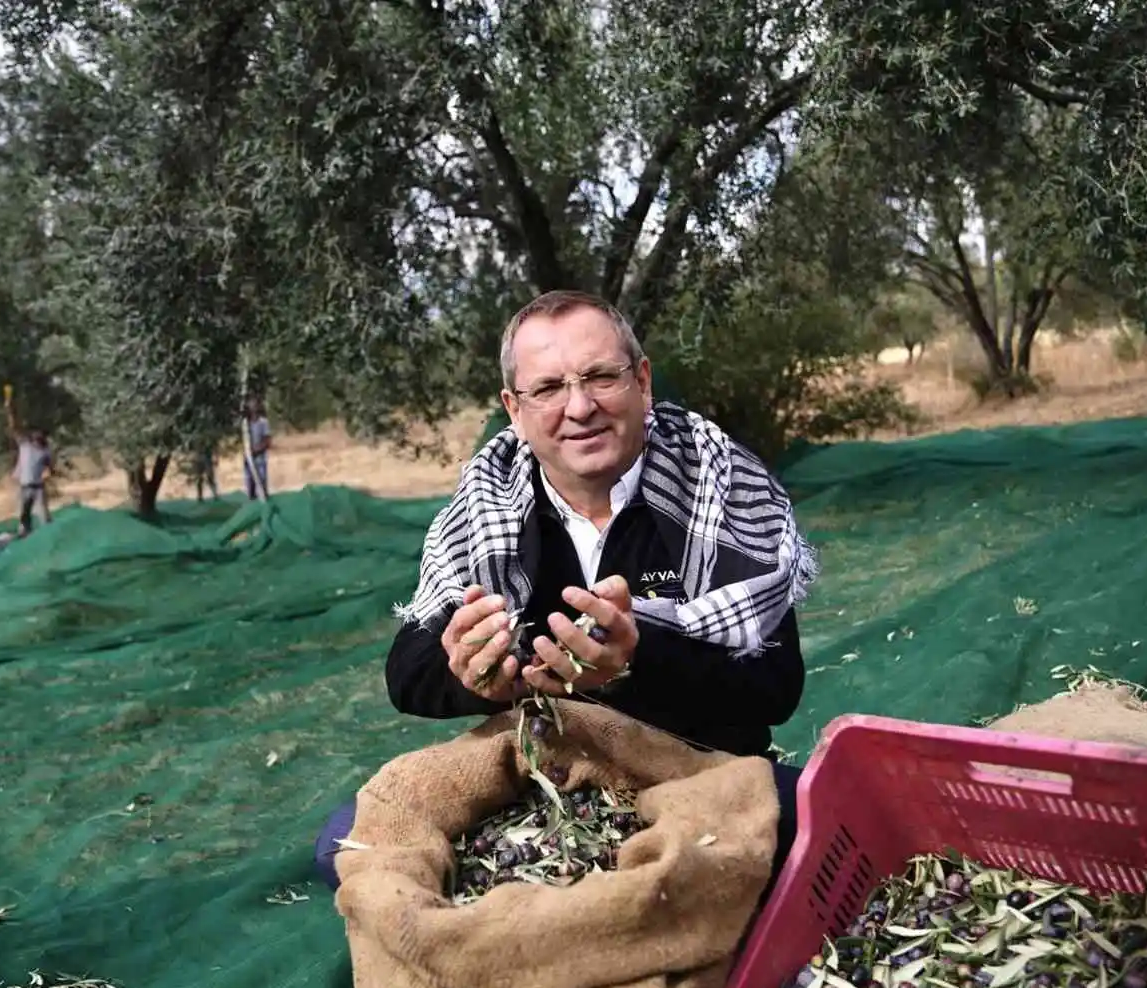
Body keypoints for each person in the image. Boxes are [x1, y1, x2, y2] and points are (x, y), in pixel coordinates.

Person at [312, 289, 818, 890]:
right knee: (348, 841)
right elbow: (408, 674)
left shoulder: (718, 485)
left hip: (696, 772)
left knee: (815, 817)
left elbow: (775, 688)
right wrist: (474, 678)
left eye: (601, 376)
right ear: (515, 409)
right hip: (545, 776)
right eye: (548, 389)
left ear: (643, 382)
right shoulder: (487, 506)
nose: (579, 407)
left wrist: (639, 660)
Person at [4, 387, 54, 537]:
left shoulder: (45, 451)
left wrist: (48, 473)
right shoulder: (26, 446)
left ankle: (49, 537)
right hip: (24, 486)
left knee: (44, 515)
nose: (37, 437)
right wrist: (9, 408)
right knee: (24, 516)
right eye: (36, 435)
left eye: (40, 436)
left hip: (38, 487)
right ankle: (24, 536)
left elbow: (50, 468)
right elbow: (14, 427)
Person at [243, 397, 271, 500]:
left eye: (254, 405)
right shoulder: (245, 424)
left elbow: (267, 441)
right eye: (250, 405)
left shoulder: (263, 422)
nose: (252, 407)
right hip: (248, 460)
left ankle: (264, 504)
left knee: (262, 484)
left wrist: (256, 449)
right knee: (250, 485)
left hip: (260, 460)